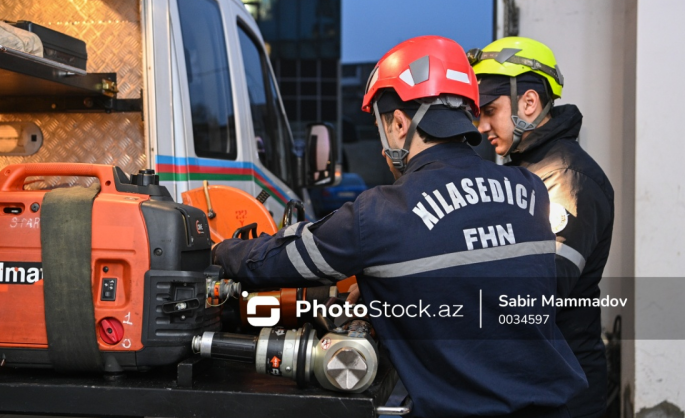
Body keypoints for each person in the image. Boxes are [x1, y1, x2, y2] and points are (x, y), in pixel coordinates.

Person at [214, 36, 586, 417]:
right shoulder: (530, 190)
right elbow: (477, 272)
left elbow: (277, 259)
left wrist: (219, 249)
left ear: (398, 122)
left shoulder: (380, 212)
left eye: (381, 126)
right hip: (558, 406)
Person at [469, 36, 615, 418]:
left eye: (489, 110)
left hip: (562, 395)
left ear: (528, 103)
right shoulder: (525, 172)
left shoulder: (566, 177)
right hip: (532, 384)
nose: (481, 126)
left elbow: (539, 287)